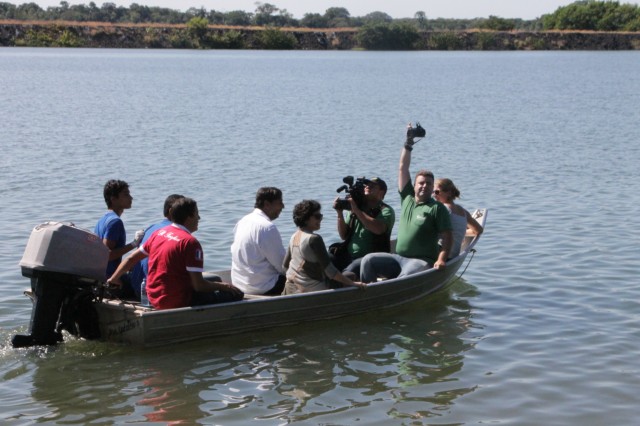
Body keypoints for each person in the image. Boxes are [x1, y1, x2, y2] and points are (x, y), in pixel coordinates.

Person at [107, 197, 244, 310]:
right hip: (175, 302)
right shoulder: (190, 243)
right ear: (189, 217)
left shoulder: (159, 233)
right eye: (197, 214)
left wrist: (113, 279)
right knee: (236, 293)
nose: (199, 218)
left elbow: (131, 259)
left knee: (214, 280)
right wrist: (224, 287)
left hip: (153, 297)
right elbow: (199, 286)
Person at [360, 124, 453, 283]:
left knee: (404, 278)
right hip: (398, 257)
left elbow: (447, 237)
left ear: (432, 189)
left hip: (421, 261)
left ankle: (389, 295)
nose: (424, 186)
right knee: (368, 260)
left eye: (429, 184)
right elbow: (403, 168)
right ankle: (368, 295)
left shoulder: (437, 208)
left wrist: (441, 259)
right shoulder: (407, 199)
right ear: (414, 185)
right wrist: (408, 143)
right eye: (421, 183)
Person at [283, 200, 365, 294]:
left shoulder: (294, 236)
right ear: (305, 218)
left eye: (320, 216)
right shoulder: (314, 239)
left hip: (290, 287)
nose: (320, 219)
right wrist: (354, 284)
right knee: (351, 275)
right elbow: (331, 272)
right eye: (317, 217)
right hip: (311, 289)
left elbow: (285, 266)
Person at [332, 177, 395, 278]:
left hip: (371, 258)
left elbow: (378, 229)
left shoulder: (386, 210)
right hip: (349, 255)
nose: (367, 187)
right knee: (326, 261)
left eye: (372, 186)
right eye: (366, 185)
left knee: (348, 272)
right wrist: (339, 213)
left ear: (382, 192)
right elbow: (344, 235)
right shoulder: (356, 208)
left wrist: (356, 210)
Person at [128, 194, 185, 306]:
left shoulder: (151, 228)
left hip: (137, 288)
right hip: (153, 295)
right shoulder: (175, 233)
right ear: (171, 211)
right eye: (184, 210)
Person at [231, 187, 286, 295]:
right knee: (299, 277)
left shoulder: (242, 222)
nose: (283, 206)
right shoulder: (267, 227)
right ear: (267, 204)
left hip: (239, 285)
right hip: (263, 288)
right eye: (280, 203)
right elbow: (282, 266)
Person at [94, 179, 144, 299]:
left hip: (101, 276)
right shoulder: (115, 222)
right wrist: (134, 243)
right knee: (142, 285)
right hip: (112, 280)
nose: (131, 198)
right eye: (126, 195)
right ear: (113, 199)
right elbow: (107, 254)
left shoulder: (102, 220)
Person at [433, 178, 483, 259]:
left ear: (449, 193)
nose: (434, 195)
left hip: (439, 256)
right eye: (433, 192)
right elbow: (478, 230)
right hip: (453, 256)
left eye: (437, 192)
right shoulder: (463, 212)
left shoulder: (442, 208)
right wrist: (461, 232)